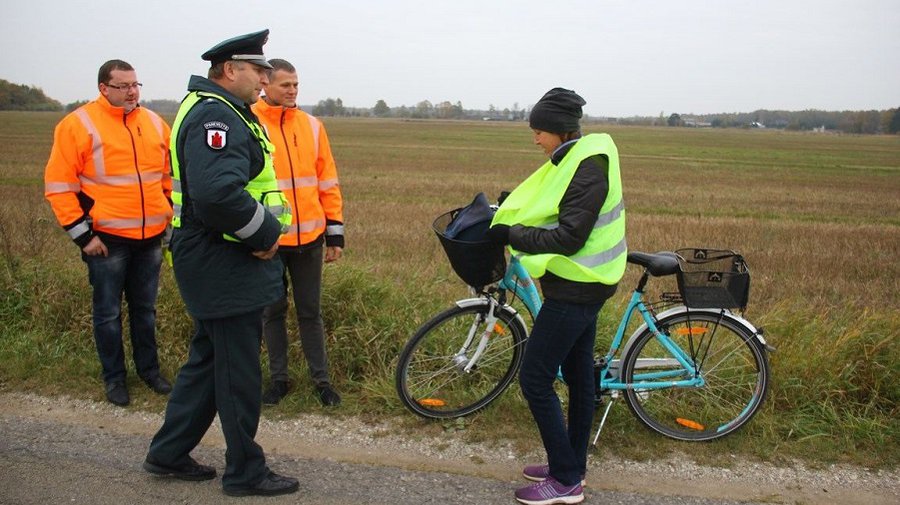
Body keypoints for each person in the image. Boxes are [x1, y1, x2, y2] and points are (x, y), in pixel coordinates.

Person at [142, 29, 298, 497]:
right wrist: (266, 236)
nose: (266, 79)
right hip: (223, 259)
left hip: (212, 256)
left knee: (209, 362)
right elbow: (216, 194)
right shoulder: (219, 117)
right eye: (259, 70)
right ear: (230, 70)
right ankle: (245, 471)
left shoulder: (219, 109)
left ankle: (168, 453)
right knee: (237, 372)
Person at [487, 88, 627, 505]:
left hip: (578, 286)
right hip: (585, 282)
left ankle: (566, 481)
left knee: (534, 378)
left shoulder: (587, 169)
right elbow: (552, 204)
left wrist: (511, 233)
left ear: (559, 130)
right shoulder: (575, 159)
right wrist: (512, 209)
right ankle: (570, 464)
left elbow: (568, 236)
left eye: (539, 131)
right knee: (581, 374)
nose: (535, 139)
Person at [44, 59, 174, 407]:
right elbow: (59, 187)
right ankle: (115, 379)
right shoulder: (78, 125)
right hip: (106, 240)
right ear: (104, 88)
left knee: (145, 310)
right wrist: (84, 237)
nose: (132, 92)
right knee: (107, 313)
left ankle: (150, 372)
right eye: (123, 86)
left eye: (135, 85)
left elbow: (168, 177)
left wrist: (168, 218)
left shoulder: (154, 123)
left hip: (150, 238)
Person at [251, 58, 344, 407]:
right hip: (270, 242)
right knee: (272, 313)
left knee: (310, 312)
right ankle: (279, 381)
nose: (292, 91)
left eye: (295, 85)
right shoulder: (251, 123)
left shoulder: (313, 126)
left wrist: (335, 233)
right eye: (285, 85)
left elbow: (328, 182)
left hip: (311, 239)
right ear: (266, 86)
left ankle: (322, 381)